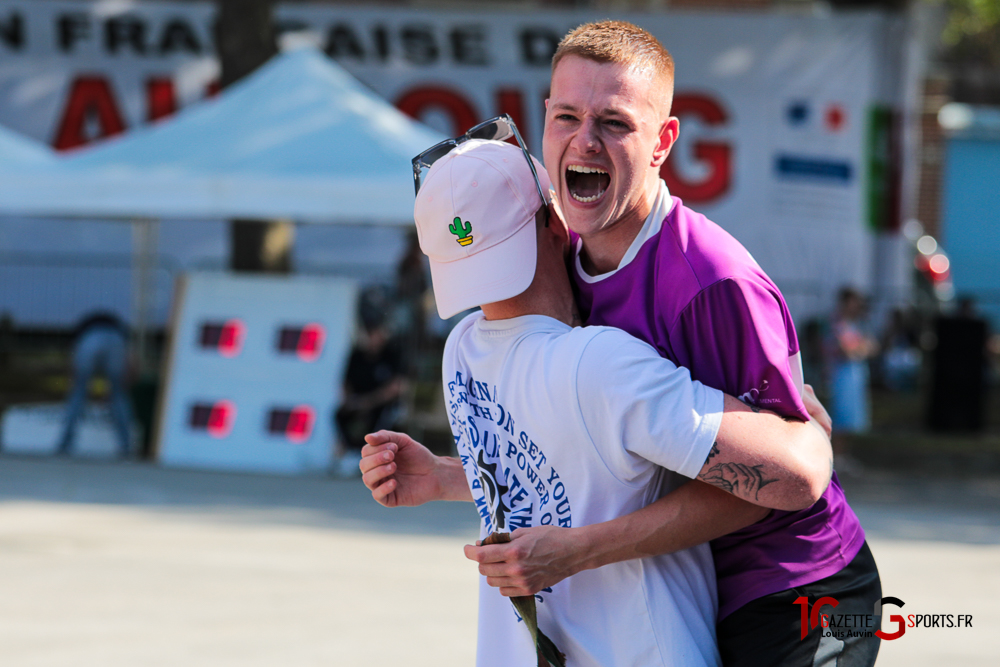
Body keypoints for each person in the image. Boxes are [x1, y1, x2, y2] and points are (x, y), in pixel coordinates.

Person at [464, 21, 881, 666]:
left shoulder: (712, 281)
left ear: (663, 141)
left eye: (615, 123)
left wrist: (576, 551)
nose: (585, 140)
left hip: (799, 590)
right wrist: (440, 476)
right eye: (568, 116)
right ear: (543, 119)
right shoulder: (560, 253)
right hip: (699, 587)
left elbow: (780, 479)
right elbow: (607, 450)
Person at [362, 139, 834, 666]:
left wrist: (449, 477)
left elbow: (558, 478)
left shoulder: (463, 352)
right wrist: (807, 432)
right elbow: (792, 479)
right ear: (556, 224)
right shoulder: (602, 363)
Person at [333, 289, 407, 477]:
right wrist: (351, 401)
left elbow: (396, 387)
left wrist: (370, 402)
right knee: (340, 415)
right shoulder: (357, 355)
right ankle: (349, 455)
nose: (375, 338)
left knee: (380, 422)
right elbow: (345, 383)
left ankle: (372, 461)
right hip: (359, 401)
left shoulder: (393, 354)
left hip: (381, 404)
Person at [57, 311, 132, 457]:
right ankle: (126, 448)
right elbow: (130, 361)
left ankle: (65, 445)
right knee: (119, 395)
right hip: (116, 341)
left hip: (90, 340)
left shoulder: (83, 328)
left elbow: (73, 363)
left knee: (78, 393)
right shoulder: (118, 327)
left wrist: (74, 381)